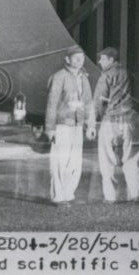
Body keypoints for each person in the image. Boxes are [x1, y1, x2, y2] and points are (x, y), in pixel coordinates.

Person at [45, 45, 95, 206]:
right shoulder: (59, 77)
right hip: (62, 125)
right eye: (76, 58)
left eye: (82, 58)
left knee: (75, 162)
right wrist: (50, 128)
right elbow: (51, 104)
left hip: (77, 125)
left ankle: (68, 193)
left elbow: (88, 103)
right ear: (67, 60)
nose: (80, 61)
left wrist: (91, 125)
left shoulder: (84, 78)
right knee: (60, 162)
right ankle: (58, 197)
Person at [93, 47, 139, 203]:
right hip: (129, 120)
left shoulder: (106, 75)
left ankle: (111, 197)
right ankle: (135, 195)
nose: (100, 61)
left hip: (111, 121)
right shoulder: (129, 74)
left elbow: (98, 101)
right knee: (131, 158)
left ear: (110, 59)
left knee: (107, 160)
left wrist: (94, 121)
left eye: (102, 58)